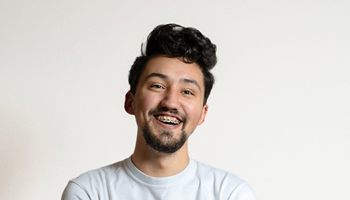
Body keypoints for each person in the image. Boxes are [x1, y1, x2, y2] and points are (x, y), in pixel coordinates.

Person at [61, 23, 256, 200]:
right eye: (157, 86)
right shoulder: (89, 191)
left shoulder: (230, 193)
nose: (171, 102)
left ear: (202, 114)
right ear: (131, 101)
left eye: (187, 91)